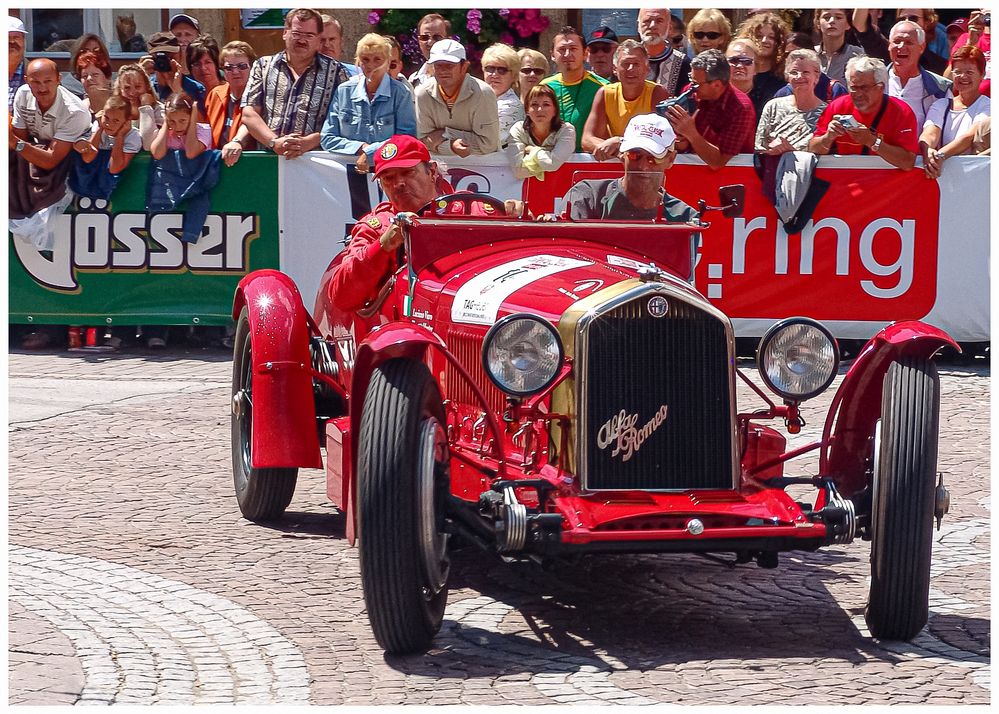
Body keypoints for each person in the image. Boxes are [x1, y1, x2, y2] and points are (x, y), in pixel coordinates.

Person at [328, 134, 519, 312]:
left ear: (432, 171)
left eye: (408, 172)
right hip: (404, 337)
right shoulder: (376, 228)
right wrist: (382, 247)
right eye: (388, 178)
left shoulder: (472, 210)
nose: (398, 183)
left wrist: (517, 219)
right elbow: (340, 296)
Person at [10, 59, 92, 349]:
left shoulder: (75, 111)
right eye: (35, 82)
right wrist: (19, 145)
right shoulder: (21, 95)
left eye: (47, 81)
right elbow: (18, 141)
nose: (41, 88)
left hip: (67, 179)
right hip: (28, 168)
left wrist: (18, 144)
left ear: (59, 79)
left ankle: (55, 327)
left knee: (54, 248)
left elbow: (52, 158)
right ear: (28, 82)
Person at [240, 8, 350, 158]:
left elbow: (346, 121)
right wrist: (274, 142)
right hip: (270, 161)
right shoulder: (263, 66)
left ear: (318, 39)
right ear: (285, 32)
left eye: (309, 35)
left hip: (316, 164)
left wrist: (311, 141)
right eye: (296, 33)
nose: (302, 40)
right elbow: (249, 113)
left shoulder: (337, 72)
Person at [549, 113, 696, 223]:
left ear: (671, 159)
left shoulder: (685, 217)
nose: (642, 166)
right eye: (634, 155)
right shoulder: (588, 195)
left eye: (653, 158)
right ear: (623, 154)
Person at [320, 33, 417, 172]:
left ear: (388, 62)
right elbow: (327, 138)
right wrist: (361, 148)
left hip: (390, 172)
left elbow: (406, 139)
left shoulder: (401, 93)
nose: (371, 65)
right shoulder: (344, 91)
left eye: (377, 59)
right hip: (348, 175)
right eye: (365, 59)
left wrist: (371, 152)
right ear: (358, 62)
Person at [809, 56, 919, 170]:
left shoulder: (901, 111)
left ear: (881, 87)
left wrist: (871, 141)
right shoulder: (838, 106)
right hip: (844, 182)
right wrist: (828, 137)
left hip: (886, 184)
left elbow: (908, 162)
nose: (858, 94)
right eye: (854, 87)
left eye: (864, 88)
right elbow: (812, 149)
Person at [662, 49, 755, 170]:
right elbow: (684, 145)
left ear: (716, 84)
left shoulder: (741, 108)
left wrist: (690, 132)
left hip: (731, 177)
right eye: (691, 79)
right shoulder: (690, 92)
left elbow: (718, 162)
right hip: (689, 172)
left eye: (696, 83)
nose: (692, 87)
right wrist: (680, 136)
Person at [582, 40, 668, 160]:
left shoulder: (658, 93)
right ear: (615, 69)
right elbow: (587, 139)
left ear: (647, 69)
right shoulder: (605, 93)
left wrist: (620, 142)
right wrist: (609, 148)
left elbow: (658, 137)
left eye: (636, 64)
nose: (630, 69)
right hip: (618, 161)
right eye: (625, 64)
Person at [415, 39, 499, 157]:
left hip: (485, 168)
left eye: (449, 65)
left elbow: (488, 144)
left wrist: (445, 134)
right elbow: (424, 141)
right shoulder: (422, 93)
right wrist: (451, 146)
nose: (443, 70)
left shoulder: (483, 93)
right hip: (439, 168)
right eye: (438, 65)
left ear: (464, 67)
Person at [920, 46, 990, 178]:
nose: (963, 77)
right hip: (942, 178)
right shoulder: (940, 104)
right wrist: (927, 150)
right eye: (957, 72)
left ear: (982, 75)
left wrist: (940, 155)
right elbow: (930, 133)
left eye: (969, 72)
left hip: (974, 177)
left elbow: (969, 136)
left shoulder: (989, 106)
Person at [542, 26, 608, 152]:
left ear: (585, 53)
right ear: (552, 55)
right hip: (552, 161)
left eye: (573, 49)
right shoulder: (544, 87)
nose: (567, 54)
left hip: (589, 163)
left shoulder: (604, 88)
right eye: (562, 49)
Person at [755, 49, 827, 153]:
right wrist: (772, 148)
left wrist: (791, 152)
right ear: (787, 77)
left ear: (816, 77)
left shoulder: (826, 112)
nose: (799, 77)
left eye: (805, 72)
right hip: (772, 167)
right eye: (794, 72)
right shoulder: (773, 107)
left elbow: (824, 150)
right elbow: (759, 147)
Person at [886, 20, 951, 130]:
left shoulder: (940, 88)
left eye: (909, 42)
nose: (901, 46)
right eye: (896, 41)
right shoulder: (874, 81)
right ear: (889, 45)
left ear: (921, 47)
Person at [507, 84, 576, 179]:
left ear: (555, 110)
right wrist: (547, 154)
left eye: (546, 104)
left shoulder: (566, 130)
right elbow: (519, 172)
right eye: (534, 104)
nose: (540, 109)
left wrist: (533, 150)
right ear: (527, 110)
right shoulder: (518, 129)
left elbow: (552, 165)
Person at [734, 11, 790, 119]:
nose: (764, 41)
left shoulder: (783, 79)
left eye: (771, 37)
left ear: (779, 42)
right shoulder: (738, 72)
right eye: (759, 36)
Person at [210, 41, 257, 165]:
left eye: (242, 66)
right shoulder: (215, 94)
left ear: (252, 67)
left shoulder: (259, 97)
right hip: (217, 164)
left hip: (250, 165)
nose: (235, 72)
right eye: (229, 68)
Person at [73, 94, 141, 175]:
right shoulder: (99, 126)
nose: (109, 124)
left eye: (116, 121)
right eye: (106, 117)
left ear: (127, 121)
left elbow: (114, 169)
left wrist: (120, 136)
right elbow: (87, 158)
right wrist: (99, 129)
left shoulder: (133, 136)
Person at [144, 31, 207, 115]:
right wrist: (139, 74)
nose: (164, 62)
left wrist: (178, 92)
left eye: (170, 57)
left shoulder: (196, 88)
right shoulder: (145, 86)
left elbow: (202, 123)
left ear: (180, 56)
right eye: (160, 57)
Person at [775, 31, 848, 102]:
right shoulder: (782, 95)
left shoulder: (835, 90)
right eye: (787, 55)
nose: (794, 59)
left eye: (799, 55)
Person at [639, 8, 692, 97]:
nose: (652, 26)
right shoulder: (626, 59)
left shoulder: (683, 63)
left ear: (669, 27)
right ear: (638, 26)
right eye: (647, 21)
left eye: (659, 21)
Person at [481, 43, 523, 149]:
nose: (495, 75)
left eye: (502, 70)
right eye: (490, 69)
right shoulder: (476, 98)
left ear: (513, 76)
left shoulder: (512, 106)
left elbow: (488, 141)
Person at [113, 63, 162, 151]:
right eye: (127, 88)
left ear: (147, 87)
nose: (132, 92)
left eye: (138, 86)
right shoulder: (114, 111)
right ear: (120, 89)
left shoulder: (159, 110)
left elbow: (148, 144)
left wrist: (146, 108)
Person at [150, 93, 211, 159]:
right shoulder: (167, 134)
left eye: (182, 120)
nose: (178, 127)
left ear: (192, 116)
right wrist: (166, 122)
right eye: (172, 121)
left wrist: (193, 120)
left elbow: (191, 154)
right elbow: (157, 154)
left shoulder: (204, 131)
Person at [813, 9, 865, 83]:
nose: (832, 21)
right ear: (818, 23)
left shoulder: (859, 55)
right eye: (826, 17)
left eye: (838, 17)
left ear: (847, 24)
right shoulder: (810, 54)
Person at [895, 9, 949, 74]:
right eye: (901, 19)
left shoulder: (940, 65)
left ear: (927, 22)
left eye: (913, 18)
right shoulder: (889, 55)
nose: (906, 22)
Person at [409, 13, 450, 87]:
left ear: (449, 40)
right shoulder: (413, 80)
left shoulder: (456, 78)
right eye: (424, 37)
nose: (430, 42)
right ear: (418, 40)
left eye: (437, 37)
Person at [75, 50, 113, 117]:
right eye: (84, 76)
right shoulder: (79, 109)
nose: (89, 78)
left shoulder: (120, 106)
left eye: (95, 75)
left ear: (108, 78)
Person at [9, 16, 27, 111]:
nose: (11, 41)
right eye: (6, 37)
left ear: (24, 41)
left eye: (16, 37)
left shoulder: (40, 73)